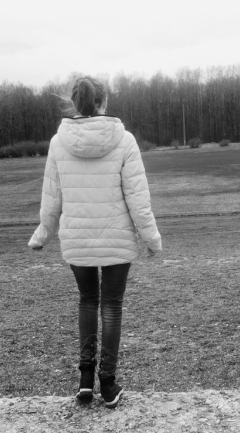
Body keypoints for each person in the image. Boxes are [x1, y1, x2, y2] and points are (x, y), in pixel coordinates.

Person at [28, 76, 162, 408]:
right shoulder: (125, 140)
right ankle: (108, 384)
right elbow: (138, 199)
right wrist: (152, 239)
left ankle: (85, 381)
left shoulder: (58, 142)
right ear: (104, 102)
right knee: (111, 306)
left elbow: (52, 197)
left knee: (87, 302)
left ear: (75, 103)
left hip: (77, 240)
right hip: (118, 240)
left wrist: (42, 234)